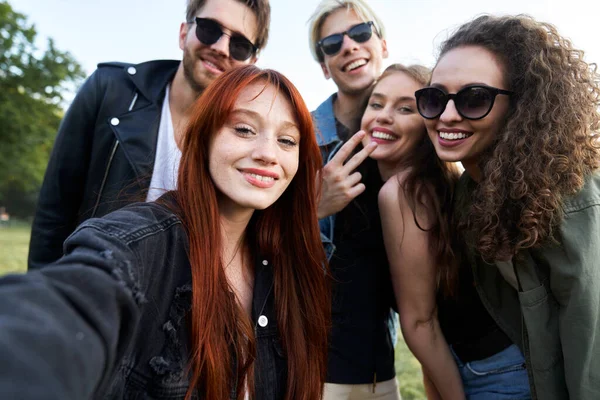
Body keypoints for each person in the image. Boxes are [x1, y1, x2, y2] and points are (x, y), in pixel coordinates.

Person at [0, 65, 331, 400]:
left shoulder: (292, 263)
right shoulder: (140, 242)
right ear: (204, 137)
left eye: (287, 140)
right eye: (244, 129)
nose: (268, 153)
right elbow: (67, 306)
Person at [415, 15, 600, 399]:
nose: (448, 115)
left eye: (474, 98)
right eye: (434, 98)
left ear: (522, 106)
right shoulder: (472, 189)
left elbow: (591, 353)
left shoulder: (570, 196)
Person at [28, 0, 271, 270]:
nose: (221, 48)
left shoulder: (249, 140)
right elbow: (54, 210)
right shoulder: (110, 90)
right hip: (92, 287)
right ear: (183, 33)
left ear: (252, 63)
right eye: (209, 29)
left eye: (240, 45)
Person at [308, 1, 399, 398]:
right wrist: (315, 208)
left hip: (384, 365)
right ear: (325, 67)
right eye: (331, 43)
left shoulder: (419, 134)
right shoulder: (299, 139)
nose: (349, 46)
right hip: (316, 367)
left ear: (382, 45)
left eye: (360, 33)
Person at [364, 64, 464, 399]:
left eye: (405, 108)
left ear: (429, 122)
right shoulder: (434, 184)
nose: (384, 116)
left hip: (482, 373)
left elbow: (422, 323)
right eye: (376, 104)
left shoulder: (400, 193)